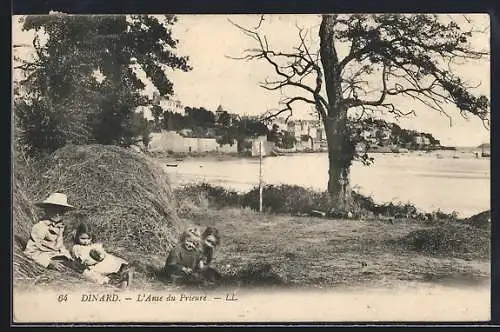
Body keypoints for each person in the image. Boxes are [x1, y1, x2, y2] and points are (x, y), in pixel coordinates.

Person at [24, 193, 80, 272]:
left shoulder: (60, 226)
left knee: (80, 266)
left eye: (61, 211)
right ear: (46, 210)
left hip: (58, 257)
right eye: (53, 210)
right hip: (46, 257)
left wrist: (69, 257)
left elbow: (60, 246)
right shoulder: (41, 227)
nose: (57, 214)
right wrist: (49, 262)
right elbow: (29, 252)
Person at [71, 222, 133, 288]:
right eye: (83, 238)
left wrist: (101, 255)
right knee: (100, 278)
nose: (86, 241)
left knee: (119, 263)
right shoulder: (77, 248)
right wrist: (97, 259)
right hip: (91, 266)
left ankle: (126, 279)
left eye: (88, 238)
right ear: (77, 237)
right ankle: (117, 283)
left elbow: (101, 253)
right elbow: (84, 261)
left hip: (99, 262)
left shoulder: (92, 245)